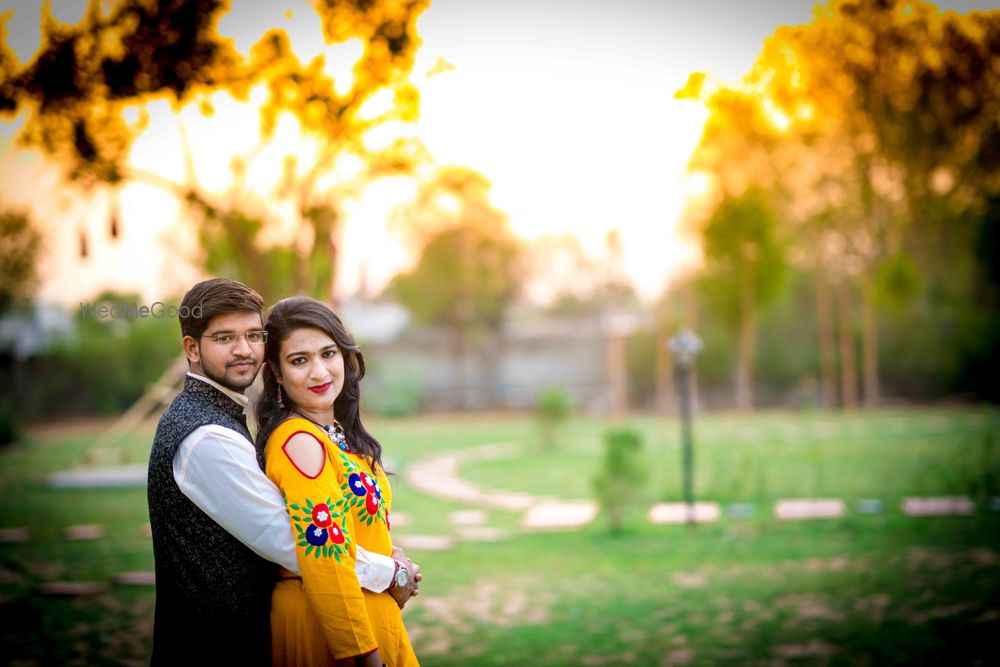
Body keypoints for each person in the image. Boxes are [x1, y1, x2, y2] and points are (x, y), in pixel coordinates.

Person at [147, 279, 420, 666]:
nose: (244, 350)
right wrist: (391, 572)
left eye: (252, 335)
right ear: (192, 348)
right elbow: (305, 545)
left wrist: (389, 557)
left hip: (334, 617)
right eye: (224, 338)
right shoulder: (209, 436)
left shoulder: (228, 418)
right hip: (227, 644)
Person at [255, 296, 420, 667]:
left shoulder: (332, 432)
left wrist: (394, 563)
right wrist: (362, 656)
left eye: (328, 354)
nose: (319, 372)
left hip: (372, 617)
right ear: (277, 372)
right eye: (299, 360)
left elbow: (353, 530)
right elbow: (326, 558)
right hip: (335, 635)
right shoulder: (300, 441)